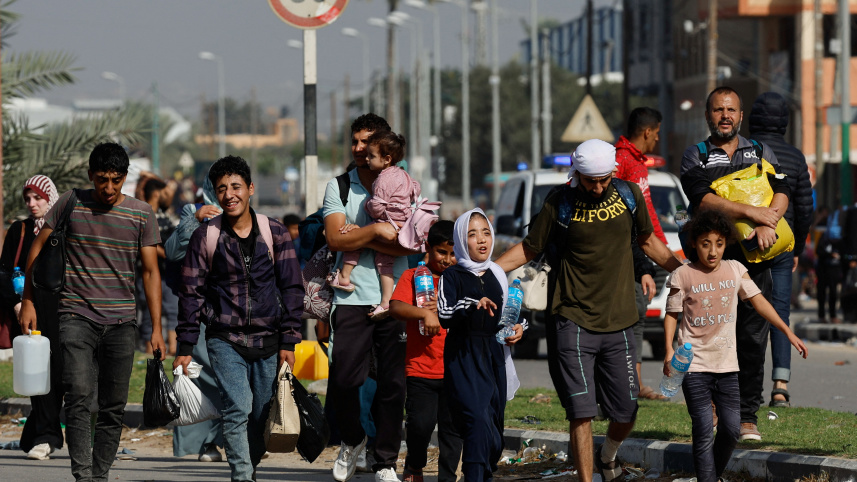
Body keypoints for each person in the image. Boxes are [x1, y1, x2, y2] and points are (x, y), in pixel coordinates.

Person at [496, 139, 683, 482]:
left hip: (621, 320)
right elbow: (529, 248)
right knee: (581, 412)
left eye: (603, 179)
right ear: (577, 173)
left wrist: (684, 271)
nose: (597, 188)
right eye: (589, 180)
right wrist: (489, 271)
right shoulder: (559, 201)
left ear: (612, 171)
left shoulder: (629, 194)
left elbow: (649, 241)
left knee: (626, 411)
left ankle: (608, 456)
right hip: (572, 318)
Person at [19, 143, 166, 482]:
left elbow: (149, 273)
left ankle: (99, 475)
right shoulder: (70, 202)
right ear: (91, 176)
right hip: (75, 317)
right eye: (102, 179)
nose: (109, 188)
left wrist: (156, 328)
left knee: (113, 406)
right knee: (79, 396)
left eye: (116, 180)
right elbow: (37, 250)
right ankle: (83, 475)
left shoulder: (142, 214)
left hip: (122, 323)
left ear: (125, 178)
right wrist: (28, 300)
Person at [174, 155, 303, 482]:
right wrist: (186, 345)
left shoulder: (274, 232)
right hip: (225, 339)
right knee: (238, 408)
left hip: (269, 339)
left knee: (261, 414)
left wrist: (289, 339)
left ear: (250, 189)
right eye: (221, 189)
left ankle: (250, 465)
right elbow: (190, 293)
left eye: (235, 187)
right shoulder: (206, 237)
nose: (229, 194)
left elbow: (291, 287)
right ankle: (242, 476)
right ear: (215, 195)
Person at [662, 208, 807, 482]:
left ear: (726, 242)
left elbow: (759, 301)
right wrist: (669, 350)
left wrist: (787, 331)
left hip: (728, 366)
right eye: (705, 244)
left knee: (730, 429)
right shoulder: (682, 274)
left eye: (718, 244)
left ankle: (711, 475)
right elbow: (671, 314)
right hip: (694, 367)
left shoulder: (736, 269)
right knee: (704, 428)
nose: (713, 251)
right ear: (694, 243)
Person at [680, 86, 790, 442]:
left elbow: (782, 190)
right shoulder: (694, 156)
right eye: (717, 110)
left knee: (752, 339)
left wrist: (767, 220)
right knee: (708, 337)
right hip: (712, 263)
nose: (724, 115)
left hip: (756, 262)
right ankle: (710, 408)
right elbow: (704, 199)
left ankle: (747, 416)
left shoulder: (760, 150)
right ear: (708, 115)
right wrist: (750, 211)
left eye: (731, 110)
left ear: (741, 116)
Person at [323, 113, 416, 482]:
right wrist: (378, 230)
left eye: (367, 142)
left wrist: (360, 232)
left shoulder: (404, 183)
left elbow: (408, 238)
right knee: (345, 379)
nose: (359, 149)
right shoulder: (340, 187)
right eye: (355, 141)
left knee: (393, 386)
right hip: (350, 298)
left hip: (395, 297)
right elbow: (334, 239)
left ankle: (385, 462)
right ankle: (353, 439)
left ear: (386, 148)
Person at [438, 209, 522, 481]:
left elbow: (506, 317)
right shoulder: (452, 276)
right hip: (464, 357)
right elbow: (445, 314)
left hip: (494, 356)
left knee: (494, 434)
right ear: (462, 241)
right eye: (472, 235)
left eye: (486, 232)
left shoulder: (497, 274)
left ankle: (482, 472)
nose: (481, 240)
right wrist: (473, 305)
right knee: (475, 421)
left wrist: (516, 329)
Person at [748, 91, 814, 408]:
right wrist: (798, 246)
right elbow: (804, 208)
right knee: (780, 313)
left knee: (747, 312)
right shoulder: (796, 157)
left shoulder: (744, 151)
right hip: (783, 242)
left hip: (747, 243)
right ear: (785, 121)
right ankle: (780, 386)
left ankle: (743, 383)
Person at [389, 220, 463, 482]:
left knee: (452, 430)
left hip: (456, 370)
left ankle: (447, 477)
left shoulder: (461, 279)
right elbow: (396, 307)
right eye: (442, 252)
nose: (447, 259)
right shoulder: (414, 277)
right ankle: (414, 465)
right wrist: (423, 313)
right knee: (420, 425)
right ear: (428, 248)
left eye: (454, 253)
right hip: (421, 369)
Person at [0, 176, 62, 460]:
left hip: (62, 311)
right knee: (38, 373)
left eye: (37, 198)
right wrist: (16, 303)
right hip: (29, 313)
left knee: (63, 373)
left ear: (50, 197)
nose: (32, 204)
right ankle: (46, 437)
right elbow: (3, 272)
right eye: (28, 199)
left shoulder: (63, 227)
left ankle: (41, 433)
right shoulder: (20, 230)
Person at [164, 173, 225, 462]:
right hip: (199, 310)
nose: (226, 192)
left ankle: (225, 439)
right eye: (220, 185)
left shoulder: (249, 216)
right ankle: (205, 444)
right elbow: (173, 251)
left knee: (232, 377)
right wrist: (197, 219)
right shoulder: (193, 211)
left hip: (235, 309)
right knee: (199, 373)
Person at [332, 131, 421, 320]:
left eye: (371, 155)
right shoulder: (404, 175)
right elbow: (416, 190)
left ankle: (344, 277)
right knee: (385, 263)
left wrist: (367, 205)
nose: (367, 158)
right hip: (401, 226)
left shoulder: (382, 178)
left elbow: (377, 207)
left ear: (386, 158)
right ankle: (386, 301)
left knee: (356, 237)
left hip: (386, 222)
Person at [614, 106, 669, 400]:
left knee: (639, 315)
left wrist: (666, 247)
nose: (657, 139)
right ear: (647, 131)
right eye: (657, 133)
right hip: (628, 257)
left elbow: (649, 212)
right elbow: (632, 215)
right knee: (633, 314)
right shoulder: (621, 160)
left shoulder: (637, 162)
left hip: (645, 254)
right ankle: (630, 385)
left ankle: (634, 382)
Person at [136, 176, 180, 355]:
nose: (167, 196)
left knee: (172, 311)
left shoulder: (165, 217)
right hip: (145, 273)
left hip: (167, 273)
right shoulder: (142, 214)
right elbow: (146, 245)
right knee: (148, 314)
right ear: (156, 193)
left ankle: (172, 351)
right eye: (164, 192)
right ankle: (149, 351)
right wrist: (167, 254)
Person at [814, 206, 842, 324]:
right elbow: (818, 251)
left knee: (833, 293)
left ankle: (833, 315)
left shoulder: (840, 241)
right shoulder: (824, 237)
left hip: (834, 270)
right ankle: (822, 316)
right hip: (823, 269)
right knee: (821, 293)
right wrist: (830, 255)